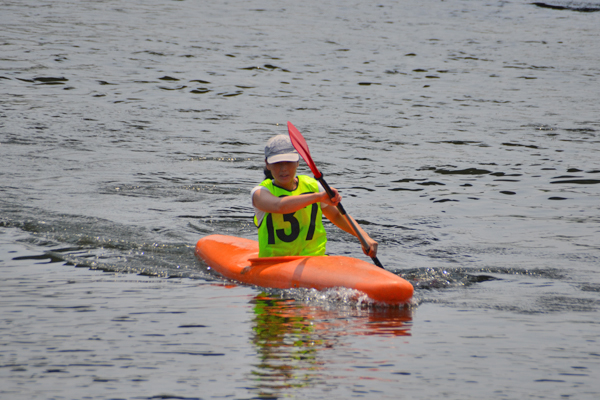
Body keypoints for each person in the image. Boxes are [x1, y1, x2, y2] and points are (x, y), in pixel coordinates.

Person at [251, 134, 378, 258]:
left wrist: (364, 237)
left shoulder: (313, 187)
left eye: (289, 162)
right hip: (273, 263)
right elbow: (280, 206)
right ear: (267, 164)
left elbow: (336, 215)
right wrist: (318, 197)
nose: (283, 169)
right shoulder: (260, 193)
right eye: (277, 163)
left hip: (314, 260)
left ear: (297, 162)